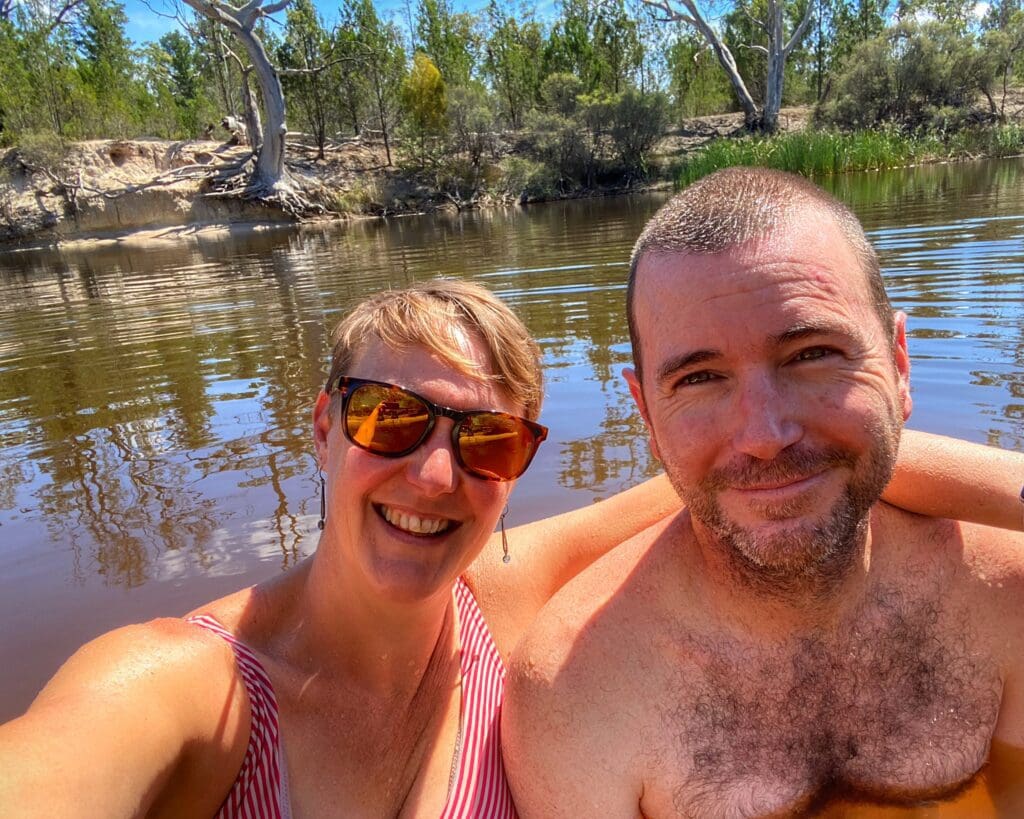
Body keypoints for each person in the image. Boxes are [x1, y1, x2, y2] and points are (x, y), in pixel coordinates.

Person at [0, 281, 1015, 818]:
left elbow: (758, 475)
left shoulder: (504, 597)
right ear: (321, 427)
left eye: (485, 440)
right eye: (390, 421)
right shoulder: (187, 690)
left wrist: (856, 418)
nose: (437, 477)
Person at [503, 168, 1024, 818]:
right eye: (699, 378)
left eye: (811, 354)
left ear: (899, 363)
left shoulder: (1005, 595)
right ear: (647, 419)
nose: (764, 435)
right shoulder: (580, 692)